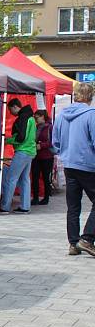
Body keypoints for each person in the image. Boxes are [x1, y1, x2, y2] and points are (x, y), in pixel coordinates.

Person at [52, 82, 95, 257]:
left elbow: (55, 142)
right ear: (90, 97)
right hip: (88, 165)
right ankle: (87, 238)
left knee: (73, 206)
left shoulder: (62, 115)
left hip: (69, 163)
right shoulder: (91, 115)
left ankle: (73, 243)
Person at [0, 99, 37, 213]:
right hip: (30, 151)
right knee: (24, 179)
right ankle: (25, 207)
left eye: (10, 109)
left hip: (22, 151)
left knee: (11, 178)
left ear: (15, 107)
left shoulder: (23, 118)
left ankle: (5, 207)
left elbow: (21, 137)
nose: (10, 112)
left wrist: (8, 140)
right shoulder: (31, 118)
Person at [31, 109, 54, 206]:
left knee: (45, 178)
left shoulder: (50, 127)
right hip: (36, 155)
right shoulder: (36, 127)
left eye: (37, 117)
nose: (36, 120)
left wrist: (42, 145)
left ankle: (46, 198)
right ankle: (35, 198)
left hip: (47, 156)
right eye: (35, 118)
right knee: (35, 177)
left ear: (43, 116)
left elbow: (53, 142)